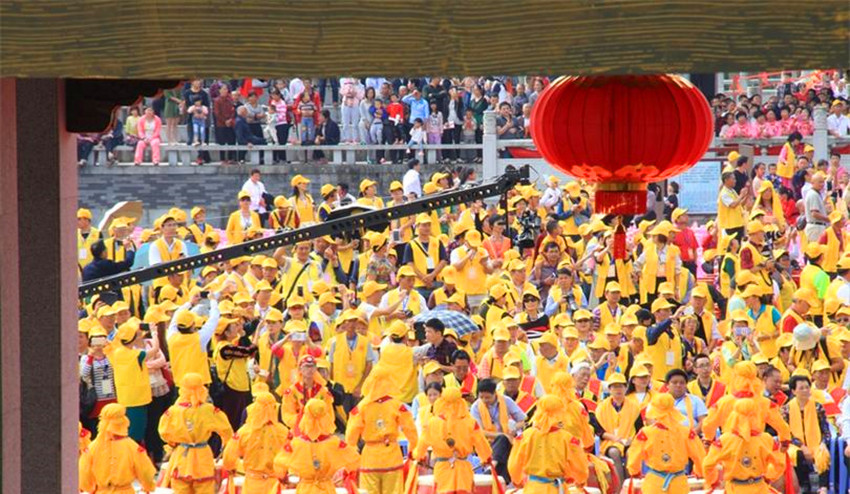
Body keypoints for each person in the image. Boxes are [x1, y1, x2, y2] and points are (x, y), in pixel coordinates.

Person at [345, 366, 418, 494]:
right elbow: (411, 431)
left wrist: (352, 459)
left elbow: (351, 436)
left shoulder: (362, 407)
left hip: (370, 458)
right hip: (392, 457)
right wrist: (413, 451)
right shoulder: (397, 405)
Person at [158, 373, 234, 494]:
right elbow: (227, 431)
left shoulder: (172, 411)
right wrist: (224, 449)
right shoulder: (210, 410)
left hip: (181, 455)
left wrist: (173, 444)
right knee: (205, 488)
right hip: (203, 455)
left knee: (180, 489)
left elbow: (164, 432)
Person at [414, 387, 493, 494]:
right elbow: (481, 443)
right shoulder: (470, 423)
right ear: (461, 402)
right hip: (463, 468)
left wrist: (419, 457)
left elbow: (421, 445)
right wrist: (486, 458)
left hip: (442, 468)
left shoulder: (431, 423)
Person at [273, 399, 360, 494]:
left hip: (305, 489)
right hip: (327, 488)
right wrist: (346, 475)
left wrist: (284, 479)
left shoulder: (295, 444)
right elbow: (354, 460)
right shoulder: (335, 443)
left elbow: (279, 464)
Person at [507, 394, 589, 493]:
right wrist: (580, 481)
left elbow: (514, 464)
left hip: (533, 488)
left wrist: (517, 481)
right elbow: (580, 466)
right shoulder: (568, 438)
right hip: (557, 489)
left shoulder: (525, 436)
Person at [702, 398, 787, 494]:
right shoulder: (767, 439)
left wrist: (713, 481)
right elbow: (780, 464)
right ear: (756, 416)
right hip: (760, 488)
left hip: (735, 489)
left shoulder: (723, 441)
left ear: (734, 416)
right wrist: (769, 476)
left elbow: (707, 465)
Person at [626, 393, 705, 494]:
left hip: (654, 481)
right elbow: (699, 455)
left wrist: (635, 471)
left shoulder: (646, 433)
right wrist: (700, 472)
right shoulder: (687, 432)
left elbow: (635, 455)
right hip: (679, 481)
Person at [78, 403, 157, 494]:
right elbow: (145, 472)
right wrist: (148, 486)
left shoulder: (92, 447)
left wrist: (89, 488)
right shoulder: (133, 447)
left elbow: (83, 472)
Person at [103, 319, 160, 444]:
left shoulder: (114, 353)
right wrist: (154, 332)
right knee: (136, 434)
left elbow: (113, 344)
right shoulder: (137, 355)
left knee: (126, 431)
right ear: (133, 339)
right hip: (138, 398)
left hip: (124, 398)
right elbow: (155, 349)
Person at [221, 391, 290, 494]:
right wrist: (283, 472)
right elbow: (291, 455)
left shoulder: (244, 431)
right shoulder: (284, 432)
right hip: (275, 484)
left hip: (252, 483)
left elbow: (228, 457)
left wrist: (232, 467)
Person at [471, 378, 526, 485]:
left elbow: (522, 420)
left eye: (488, 397)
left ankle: (491, 468)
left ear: (495, 393)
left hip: (508, 441)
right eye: (481, 397)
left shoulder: (506, 401)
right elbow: (479, 431)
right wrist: (501, 435)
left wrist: (514, 428)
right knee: (502, 441)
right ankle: (495, 470)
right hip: (486, 445)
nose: (484, 400)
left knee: (503, 442)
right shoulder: (475, 407)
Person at [782, 374, 831, 494]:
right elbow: (786, 434)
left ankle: (823, 487)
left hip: (816, 442)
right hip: (796, 445)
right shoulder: (786, 409)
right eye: (801, 388)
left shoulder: (818, 407)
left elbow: (826, 431)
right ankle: (804, 484)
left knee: (822, 453)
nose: (805, 390)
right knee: (796, 454)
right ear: (793, 391)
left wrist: (823, 443)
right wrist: (802, 447)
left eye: (807, 387)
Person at [805, 172, 829, 242]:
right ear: (812, 183)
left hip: (818, 226)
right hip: (815, 227)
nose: (822, 184)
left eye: (823, 182)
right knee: (817, 250)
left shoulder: (817, 193)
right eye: (820, 182)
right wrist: (829, 219)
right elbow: (814, 213)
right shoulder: (813, 194)